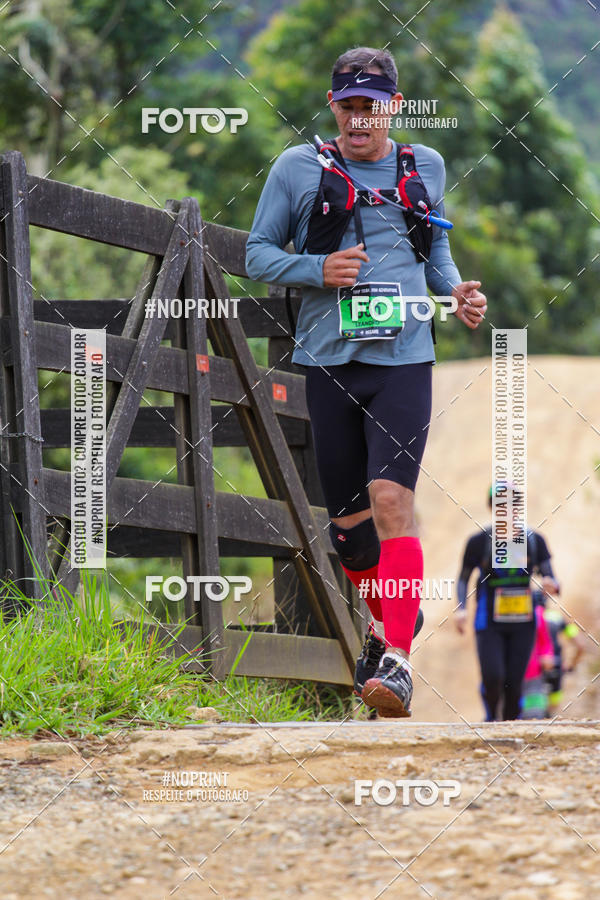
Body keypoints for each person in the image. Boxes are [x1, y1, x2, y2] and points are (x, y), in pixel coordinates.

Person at [247, 46, 486, 717]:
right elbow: (256, 252)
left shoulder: (424, 166)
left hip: (406, 359)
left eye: (371, 107)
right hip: (328, 360)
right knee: (350, 529)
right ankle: (383, 635)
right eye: (349, 106)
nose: (360, 119)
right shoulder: (299, 168)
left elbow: (433, 250)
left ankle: (400, 662)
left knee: (390, 501)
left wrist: (457, 293)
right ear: (333, 108)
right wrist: (316, 271)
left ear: (394, 107)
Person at [455, 486, 560, 720]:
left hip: (524, 623)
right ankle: (491, 719)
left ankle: (511, 725)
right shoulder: (479, 541)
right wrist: (460, 609)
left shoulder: (535, 541)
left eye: (512, 504)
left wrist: (551, 584)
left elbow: (550, 577)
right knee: (493, 677)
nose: (506, 510)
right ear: (492, 508)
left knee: (514, 683)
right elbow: (463, 578)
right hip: (488, 622)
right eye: (500, 504)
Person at [541, 603, 585, 716]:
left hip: (535, 664)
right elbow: (580, 645)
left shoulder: (530, 617)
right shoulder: (557, 618)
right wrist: (572, 664)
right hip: (556, 662)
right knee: (553, 704)